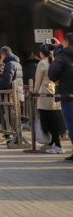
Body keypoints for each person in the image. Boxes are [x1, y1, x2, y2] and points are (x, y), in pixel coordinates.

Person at [34, 44, 66, 154]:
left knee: (48, 121)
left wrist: (35, 92)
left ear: (41, 53)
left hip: (44, 95)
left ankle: (58, 145)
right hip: (55, 93)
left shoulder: (42, 63)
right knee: (55, 119)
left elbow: (38, 80)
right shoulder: (56, 61)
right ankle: (52, 143)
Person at [48, 33, 73, 162]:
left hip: (68, 94)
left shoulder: (62, 55)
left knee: (72, 124)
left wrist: (56, 80)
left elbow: (52, 71)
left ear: (67, 43)